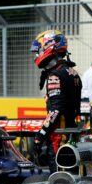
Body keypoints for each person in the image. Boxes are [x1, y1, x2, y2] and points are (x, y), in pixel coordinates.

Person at [30, 29, 82, 173]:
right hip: (71, 131)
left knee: (59, 176)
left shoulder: (55, 75)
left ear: (50, 46)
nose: (37, 54)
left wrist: (40, 135)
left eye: (39, 49)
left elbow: (55, 110)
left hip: (58, 136)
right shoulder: (73, 72)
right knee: (72, 173)